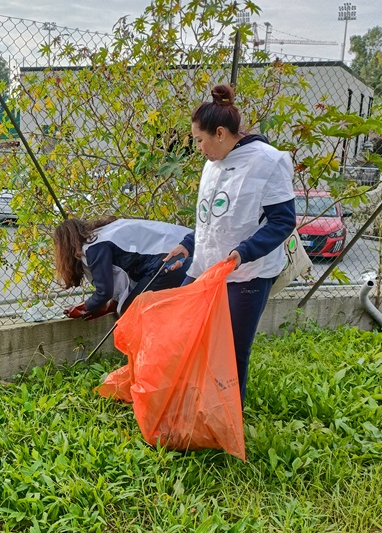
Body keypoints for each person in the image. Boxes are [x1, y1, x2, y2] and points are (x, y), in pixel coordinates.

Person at [164, 84, 295, 404]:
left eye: (198, 140)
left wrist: (242, 253)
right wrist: (187, 243)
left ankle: (227, 417)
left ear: (220, 133)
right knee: (183, 331)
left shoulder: (268, 162)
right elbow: (212, 220)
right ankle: (191, 401)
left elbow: (282, 221)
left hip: (247, 272)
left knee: (233, 348)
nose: (197, 148)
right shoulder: (213, 164)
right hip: (205, 266)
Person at [55, 216, 192, 318]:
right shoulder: (104, 234)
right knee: (131, 307)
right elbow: (120, 282)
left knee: (130, 312)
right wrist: (109, 306)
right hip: (181, 258)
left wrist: (86, 307)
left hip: (167, 266)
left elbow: (104, 292)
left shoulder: (93, 247)